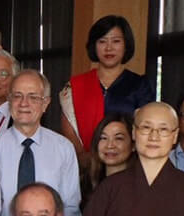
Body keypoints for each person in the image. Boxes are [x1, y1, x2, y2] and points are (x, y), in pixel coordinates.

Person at [0, 70, 82, 216]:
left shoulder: (63, 148)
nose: (24, 103)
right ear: (9, 102)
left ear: (45, 103)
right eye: (17, 96)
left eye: (33, 97)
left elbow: (70, 207)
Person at [59, 15, 152, 153]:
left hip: (127, 164)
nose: (109, 48)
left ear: (126, 44)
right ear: (93, 46)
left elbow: (146, 128)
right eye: (102, 41)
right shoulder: (75, 85)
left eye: (116, 41)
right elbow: (69, 131)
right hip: (83, 164)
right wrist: (86, 162)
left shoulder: (139, 85)